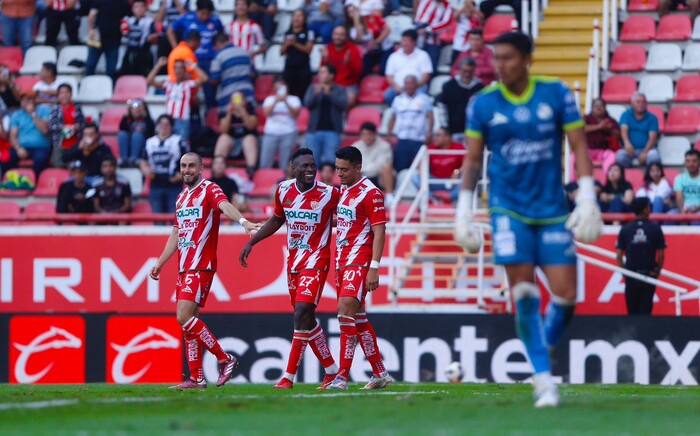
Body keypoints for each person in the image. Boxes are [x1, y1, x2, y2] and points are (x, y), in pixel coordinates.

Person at [455, 32, 603, 408]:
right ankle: (543, 379)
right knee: (523, 292)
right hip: (507, 209)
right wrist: (464, 210)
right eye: (497, 58)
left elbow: (580, 145)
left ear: (527, 59)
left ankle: (540, 348)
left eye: (507, 58)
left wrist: (587, 197)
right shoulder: (482, 104)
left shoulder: (555, 93)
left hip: (552, 209)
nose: (500, 65)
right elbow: (472, 161)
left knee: (567, 295)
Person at [149, 151, 260, 389]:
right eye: (183, 166)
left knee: (183, 316)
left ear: (201, 169)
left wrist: (244, 223)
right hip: (184, 266)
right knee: (189, 322)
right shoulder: (181, 198)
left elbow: (224, 205)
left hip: (201, 264)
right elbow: (177, 233)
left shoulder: (210, 189)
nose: (186, 170)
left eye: (191, 166)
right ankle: (196, 377)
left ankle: (224, 357)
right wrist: (160, 262)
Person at [240, 148, 340, 389]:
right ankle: (331, 370)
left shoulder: (330, 194)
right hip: (293, 263)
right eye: (304, 166)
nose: (310, 170)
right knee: (306, 317)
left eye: (312, 165)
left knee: (301, 312)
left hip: (317, 260)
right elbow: (276, 219)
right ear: (293, 169)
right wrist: (252, 241)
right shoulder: (283, 190)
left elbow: (350, 216)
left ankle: (288, 376)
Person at [328, 145, 392, 390]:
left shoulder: (371, 193)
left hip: (360, 260)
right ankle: (380, 372)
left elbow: (379, 231)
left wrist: (374, 267)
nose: (340, 173)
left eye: (344, 169)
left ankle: (342, 377)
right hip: (341, 261)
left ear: (358, 167)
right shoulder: (344, 190)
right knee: (358, 317)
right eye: (337, 169)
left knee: (344, 311)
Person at [168, 0, 224, 109]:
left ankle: (210, 117)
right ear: (197, 11)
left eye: (207, 13)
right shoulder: (187, 18)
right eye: (202, 13)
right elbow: (170, 30)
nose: (205, 16)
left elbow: (221, 38)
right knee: (189, 91)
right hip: (190, 61)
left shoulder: (215, 20)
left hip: (209, 60)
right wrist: (176, 48)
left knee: (210, 92)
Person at [616, 197, 666, 315]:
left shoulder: (625, 228)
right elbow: (662, 254)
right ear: (644, 209)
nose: (650, 209)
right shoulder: (655, 228)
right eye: (649, 206)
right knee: (646, 311)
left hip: (631, 274)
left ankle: (634, 333)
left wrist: (625, 272)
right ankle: (645, 334)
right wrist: (657, 271)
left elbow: (618, 255)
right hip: (648, 274)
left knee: (632, 312)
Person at [147, 57, 209, 143]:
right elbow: (149, 80)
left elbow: (205, 78)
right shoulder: (168, 84)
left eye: (180, 68)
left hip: (182, 121)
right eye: (175, 68)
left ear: (184, 70)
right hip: (168, 122)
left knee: (181, 147)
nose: (178, 70)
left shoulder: (189, 84)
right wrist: (158, 65)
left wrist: (193, 66)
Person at [139, 115, 186, 215]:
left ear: (172, 126)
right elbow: (143, 161)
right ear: (157, 126)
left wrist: (181, 175)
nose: (164, 126)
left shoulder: (179, 141)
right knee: (157, 220)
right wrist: (145, 170)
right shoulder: (149, 142)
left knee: (175, 220)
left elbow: (189, 161)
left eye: (167, 124)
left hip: (174, 186)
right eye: (161, 123)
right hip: (155, 185)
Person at [303, 65, 348, 167]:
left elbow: (344, 104)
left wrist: (329, 94)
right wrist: (315, 94)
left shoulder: (340, 89)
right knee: (312, 162)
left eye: (323, 72)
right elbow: (307, 104)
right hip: (314, 131)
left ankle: (329, 183)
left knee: (331, 162)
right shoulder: (313, 88)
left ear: (331, 75)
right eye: (320, 72)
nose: (320, 75)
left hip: (333, 131)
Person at [387, 75, 433, 172]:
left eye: (411, 83)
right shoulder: (398, 100)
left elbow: (430, 117)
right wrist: (389, 134)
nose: (409, 86)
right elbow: (392, 118)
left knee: (420, 167)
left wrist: (429, 132)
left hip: (419, 139)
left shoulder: (424, 99)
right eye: (407, 83)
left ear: (416, 85)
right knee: (401, 166)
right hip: (402, 138)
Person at [213, 92, 258, 178]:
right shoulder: (225, 112)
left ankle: (251, 169)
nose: (236, 102)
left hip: (247, 143)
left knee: (249, 139)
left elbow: (251, 126)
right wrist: (229, 113)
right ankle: (217, 167)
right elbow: (223, 130)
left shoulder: (250, 110)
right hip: (232, 142)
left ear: (244, 101)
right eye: (234, 99)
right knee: (223, 138)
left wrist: (242, 111)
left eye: (238, 99)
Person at [413, 127, 465, 203]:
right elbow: (421, 166)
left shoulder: (459, 147)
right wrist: (423, 177)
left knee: (468, 176)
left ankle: (449, 197)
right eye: (435, 135)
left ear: (448, 137)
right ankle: (431, 199)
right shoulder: (430, 148)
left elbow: (468, 164)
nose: (435, 138)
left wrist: (457, 171)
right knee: (414, 177)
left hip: (453, 181)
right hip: (434, 181)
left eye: (438, 135)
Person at [438, 57, 484, 142]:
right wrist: (445, 127)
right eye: (464, 71)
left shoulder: (480, 88)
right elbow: (442, 107)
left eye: (470, 72)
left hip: (473, 132)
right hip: (452, 131)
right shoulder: (449, 86)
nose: (467, 74)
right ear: (459, 70)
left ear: (474, 71)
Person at [210, 32, 255, 117]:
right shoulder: (245, 52)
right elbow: (253, 74)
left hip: (228, 98)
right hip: (247, 96)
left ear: (217, 43)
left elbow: (215, 79)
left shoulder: (218, 57)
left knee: (228, 127)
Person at [260, 78, 301, 169]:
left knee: (285, 163)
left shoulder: (294, 99)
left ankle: (285, 180)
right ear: (274, 89)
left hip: (289, 132)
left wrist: (285, 101)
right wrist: (276, 100)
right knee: (265, 162)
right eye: (277, 88)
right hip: (271, 133)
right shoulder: (269, 99)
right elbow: (266, 113)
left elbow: (296, 114)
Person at [384, 29, 433, 105]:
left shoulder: (423, 55)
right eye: (403, 40)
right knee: (388, 95)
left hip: (417, 88)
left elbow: (426, 75)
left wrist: (413, 87)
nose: (404, 43)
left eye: (406, 41)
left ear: (414, 42)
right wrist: (396, 87)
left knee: (423, 98)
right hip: (398, 88)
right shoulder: (394, 56)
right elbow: (389, 76)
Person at [86, 0, 132, 78]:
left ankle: (110, 87)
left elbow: (128, 18)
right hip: (98, 38)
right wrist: (90, 29)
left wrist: (125, 29)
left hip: (114, 40)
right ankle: (86, 85)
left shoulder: (124, 3)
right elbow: (92, 14)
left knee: (111, 69)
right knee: (90, 65)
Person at [9, 92, 51, 176]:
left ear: (34, 100)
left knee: (40, 159)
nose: (26, 102)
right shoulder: (17, 114)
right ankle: (8, 183)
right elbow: (13, 135)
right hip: (22, 147)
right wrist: (18, 148)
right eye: (23, 100)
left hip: (40, 147)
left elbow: (45, 130)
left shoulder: (45, 110)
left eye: (28, 99)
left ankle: (35, 184)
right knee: (7, 157)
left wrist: (33, 113)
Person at [321, 25, 362, 106]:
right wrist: (325, 60)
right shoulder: (328, 48)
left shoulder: (352, 49)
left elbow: (358, 72)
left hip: (348, 85)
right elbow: (322, 72)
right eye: (336, 34)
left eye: (341, 35)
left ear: (346, 36)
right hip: (331, 84)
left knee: (349, 99)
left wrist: (349, 62)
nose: (338, 37)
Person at [616, 93, 660, 169]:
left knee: (654, 158)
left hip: (647, 149)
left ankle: (648, 178)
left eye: (643, 102)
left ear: (646, 104)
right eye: (638, 102)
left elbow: (652, 138)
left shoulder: (652, 118)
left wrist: (645, 152)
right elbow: (623, 129)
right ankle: (627, 177)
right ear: (632, 103)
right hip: (629, 149)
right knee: (620, 157)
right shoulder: (626, 115)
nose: (641, 104)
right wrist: (627, 144)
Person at [351, 121, 394, 200]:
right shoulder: (355, 146)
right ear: (361, 135)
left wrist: (363, 168)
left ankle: (389, 196)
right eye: (364, 134)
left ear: (375, 134)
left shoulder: (384, 146)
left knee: (386, 167)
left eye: (369, 134)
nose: (367, 137)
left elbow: (380, 165)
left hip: (378, 177)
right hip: (362, 176)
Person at [347, 5, 392, 77]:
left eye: (354, 11)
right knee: (362, 70)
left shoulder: (373, 18)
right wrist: (356, 20)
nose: (353, 13)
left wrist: (376, 41)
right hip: (370, 52)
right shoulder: (351, 28)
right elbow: (360, 37)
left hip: (385, 48)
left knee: (383, 69)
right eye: (350, 12)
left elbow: (387, 29)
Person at [48, 84, 85, 167]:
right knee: (58, 165)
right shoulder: (55, 108)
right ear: (58, 95)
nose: (64, 95)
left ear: (71, 94)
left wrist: (76, 127)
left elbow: (82, 123)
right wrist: (63, 127)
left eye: (67, 92)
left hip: (75, 143)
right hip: (60, 144)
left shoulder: (77, 107)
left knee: (77, 166)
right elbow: (51, 125)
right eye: (61, 93)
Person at [118, 0, 157, 78]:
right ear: (132, 9)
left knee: (143, 75)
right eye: (136, 7)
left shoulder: (149, 21)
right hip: (130, 51)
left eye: (141, 7)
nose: (139, 9)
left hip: (144, 53)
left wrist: (150, 37)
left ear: (145, 8)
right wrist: (123, 30)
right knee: (126, 74)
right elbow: (124, 34)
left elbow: (155, 34)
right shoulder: (128, 20)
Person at [281, 9, 315, 98]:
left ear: (304, 19)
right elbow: (281, 52)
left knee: (303, 93)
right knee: (289, 93)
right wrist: (286, 45)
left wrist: (294, 44)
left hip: (303, 67)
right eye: (295, 16)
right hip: (289, 67)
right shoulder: (287, 33)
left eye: (300, 16)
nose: (297, 18)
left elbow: (308, 50)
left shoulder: (309, 33)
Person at [581, 97, 618, 177]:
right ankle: (575, 184)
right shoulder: (586, 118)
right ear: (592, 108)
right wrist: (599, 126)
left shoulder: (610, 120)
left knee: (612, 156)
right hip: (587, 151)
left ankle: (607, 180)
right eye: (596, 106)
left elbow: (618, 135)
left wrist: (609, 129)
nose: (598, 107)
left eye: (601, 106)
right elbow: (581, 130)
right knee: (573, 157)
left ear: (605, 108)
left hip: (603, 152)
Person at [413, 0, 454, 70]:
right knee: (415, 64)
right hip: (418, 36)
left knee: (430, 67)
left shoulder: (447, 5)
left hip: (433, 41)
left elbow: (446, 23)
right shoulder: (425, 1)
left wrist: (428, 29)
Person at [118, 99, 155, 167]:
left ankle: (134, 159)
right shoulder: (128, 119)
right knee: (122, 134)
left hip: (142, 147)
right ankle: (124, 159)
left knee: (137, 135)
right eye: (134, 108)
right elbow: (122, 128)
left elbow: (151, 132)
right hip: (130, 145)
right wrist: (126, 115)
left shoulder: (147, 120)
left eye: (139, 108)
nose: (136, 110)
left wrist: (145, 115)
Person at [674, 149, 700, 220]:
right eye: (688, 161)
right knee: (669, 216)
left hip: (698, 210)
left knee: (696, 220)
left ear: (699, 162)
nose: (691, 164)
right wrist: (682, 211)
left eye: (694, 161)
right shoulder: (679, 178)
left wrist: (694, 210)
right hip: (683, 209)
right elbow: (679, 197)